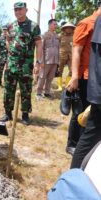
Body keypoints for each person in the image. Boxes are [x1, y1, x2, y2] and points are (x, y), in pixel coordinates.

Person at [67, 1, 101, 166]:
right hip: (85, 78)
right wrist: (74, 76)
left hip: (93, 77)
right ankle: (72, 144)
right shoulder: (86, 23)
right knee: (79, 114)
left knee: (88, 117)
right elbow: (76, 50)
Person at [0, 2, 42, 125]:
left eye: (20, 9)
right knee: (8, 90)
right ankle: (7, 113)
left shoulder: (33, 26)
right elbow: (8, 41)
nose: (18, 12)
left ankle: (25, 115)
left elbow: (39, 45)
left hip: (26, 65)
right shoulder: (10, 26)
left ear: (26, 10)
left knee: (26, 90)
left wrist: (38, 62)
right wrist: (9, 57)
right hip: (11, 64)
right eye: (16, 10)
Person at [36, 19, 59, 99]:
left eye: (56, 24)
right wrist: (41, 61)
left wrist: (58, 61)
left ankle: (47, 92)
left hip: (55, 60)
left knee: (50, 77)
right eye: (54, 24)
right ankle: (39, 93)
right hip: (46, 60)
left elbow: (58, 48)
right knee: (42, 76)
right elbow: (41, 48)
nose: (55, 26)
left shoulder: (57, 36)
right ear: (49, 25)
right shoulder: (44, 35)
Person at [56, 22, 75, 91]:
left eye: (70, 28)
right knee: (59, 70)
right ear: (64, 29)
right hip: (61, 55)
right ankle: (59, 86)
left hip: (71, 56)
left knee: (72, 70)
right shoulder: (60, 36)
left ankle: (67, 84)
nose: (69, 29)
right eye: (67, 28)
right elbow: (56, 45)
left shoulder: (74, 36)